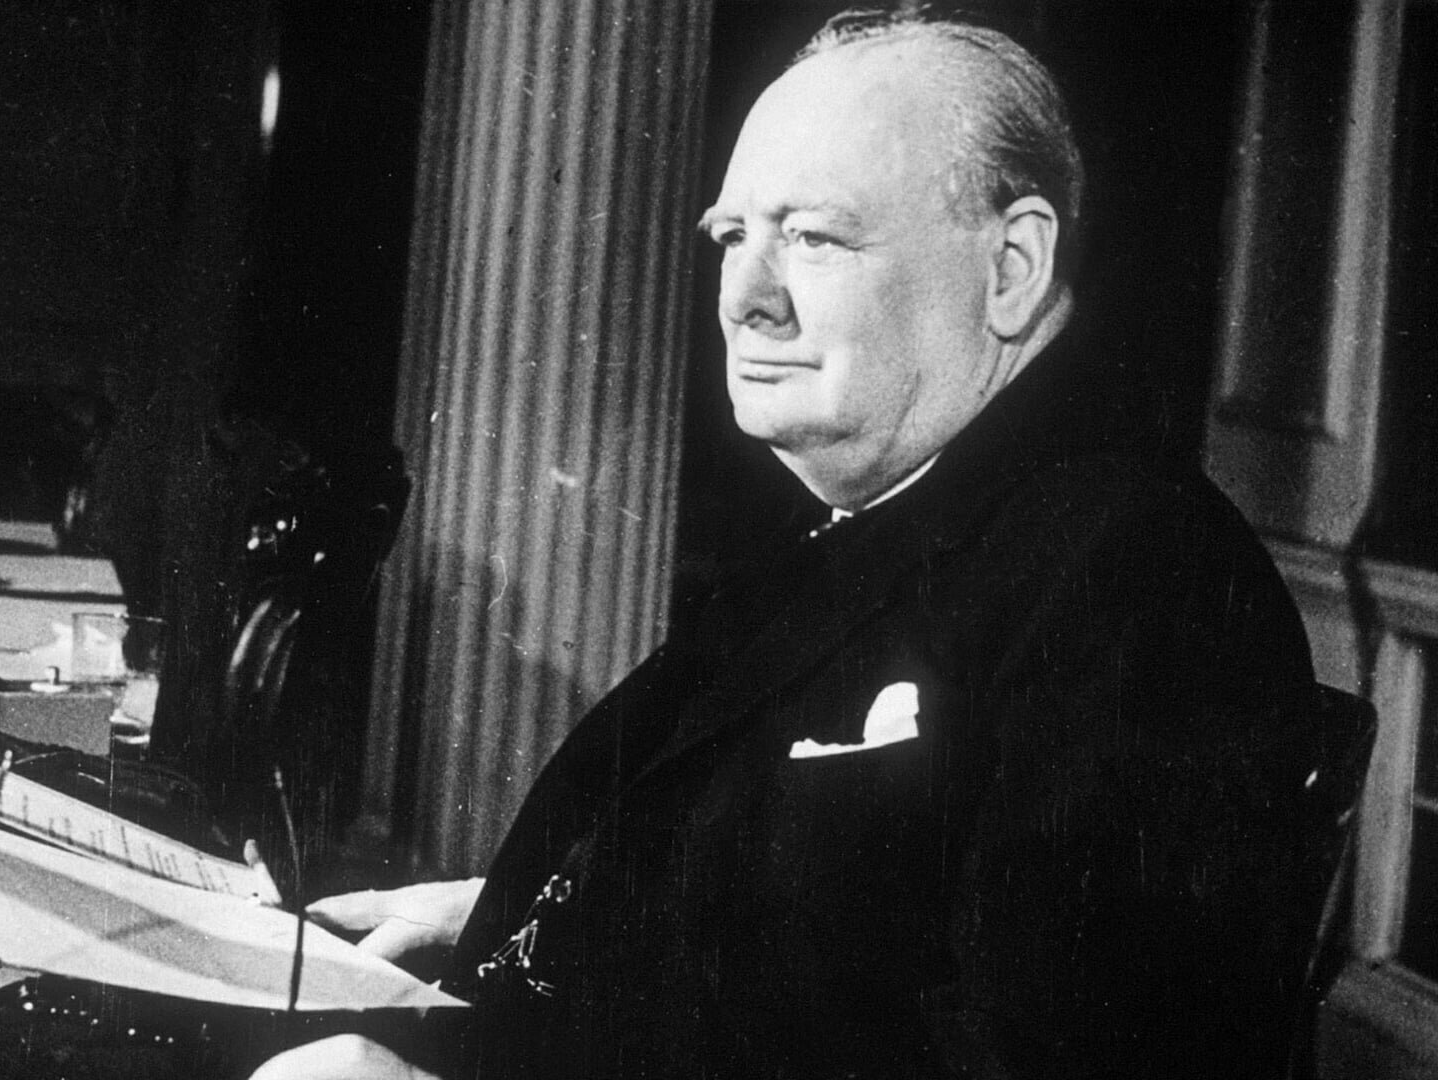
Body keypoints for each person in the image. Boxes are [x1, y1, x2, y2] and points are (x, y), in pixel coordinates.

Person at [253, 10, 1323, 1079]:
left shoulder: (1140, 576)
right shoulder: (882, 517)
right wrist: (535, 909)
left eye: (814, 237)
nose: (744, 301)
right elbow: (815, 939)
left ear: (1010, 267)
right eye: (733, 237)